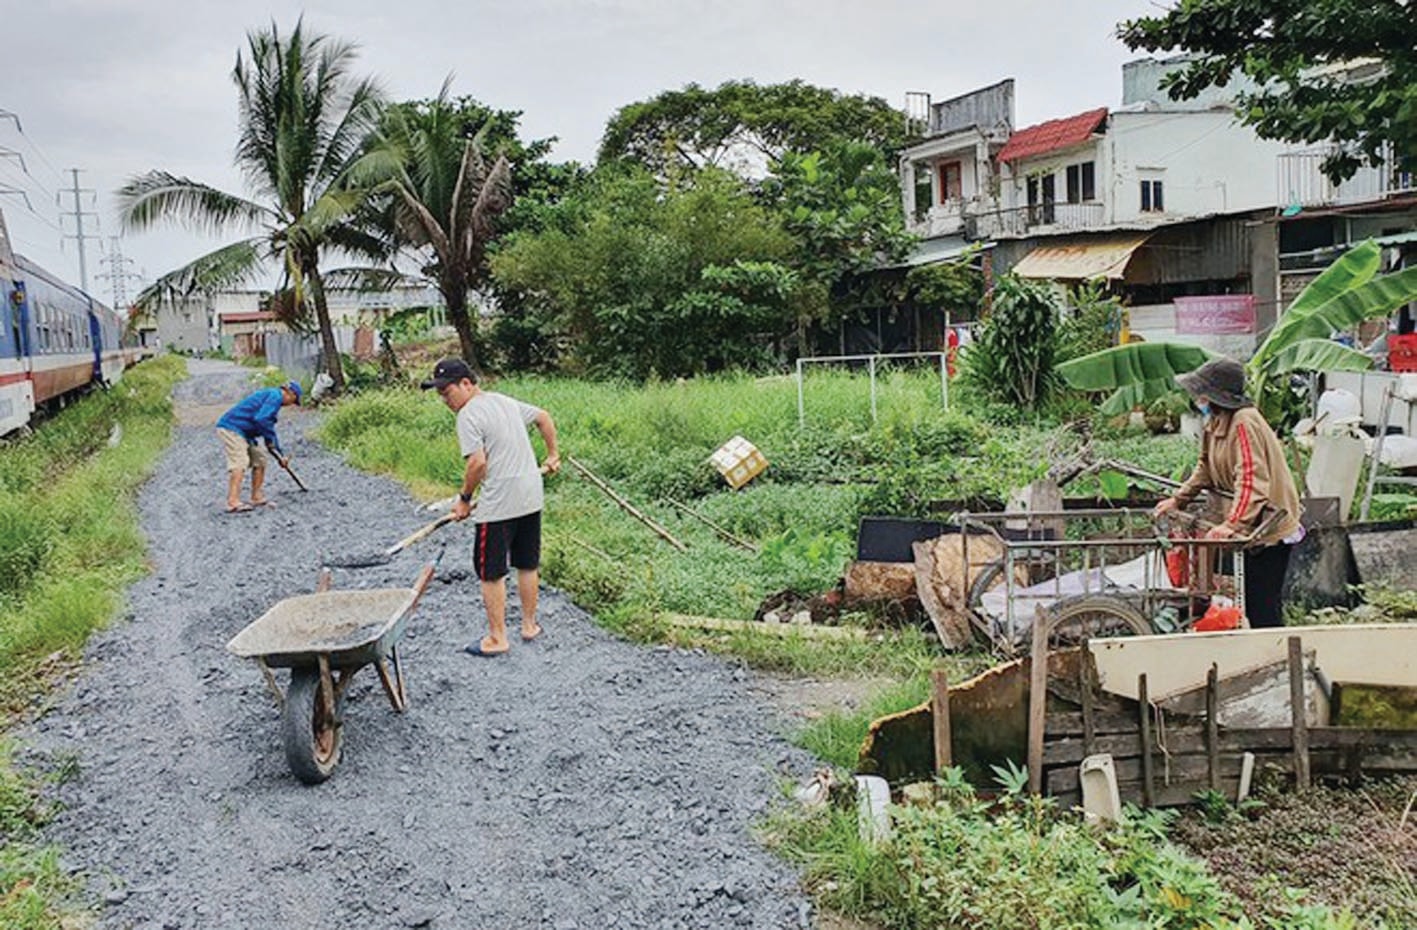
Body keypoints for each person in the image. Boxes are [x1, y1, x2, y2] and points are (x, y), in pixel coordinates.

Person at [421, 358, 560, 656]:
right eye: (440, 393)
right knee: (526, 562)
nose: (444, 399)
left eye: (447, 391)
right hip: (530, 493)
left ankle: (498, 639)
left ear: (467, 384)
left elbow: (477, 463)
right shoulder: (504, 401)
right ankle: (529, 626)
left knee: (490, 571)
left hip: (499, 503)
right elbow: (543, 417)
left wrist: (465, 499)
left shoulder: (468, 415)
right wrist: (552, 456)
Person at [1152, 357, 1304, 628]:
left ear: (1216, 395)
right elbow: (1205, 468)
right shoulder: (1216, 421)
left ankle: (1275, 657)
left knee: (1262, 605)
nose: (1197, 399)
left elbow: (1252, 477)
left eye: (1201, 392)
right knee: (1245, 600)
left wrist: (1234, 523)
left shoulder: (1244, 421)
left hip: (1268, 524)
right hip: (1248, 523)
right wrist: (1178, 499)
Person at [215, 381, 301, 513]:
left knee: (260, 459)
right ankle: (233, 502)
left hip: (245, 433)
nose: (290, 405)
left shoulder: (272, 397)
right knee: (240, 461)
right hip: (232, 428)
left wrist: (279, 453)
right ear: (291, 394)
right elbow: (262, 419)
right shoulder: (275, 396)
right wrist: (270, 441)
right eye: (294, 401)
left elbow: (267, 428)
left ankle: (256, 497)